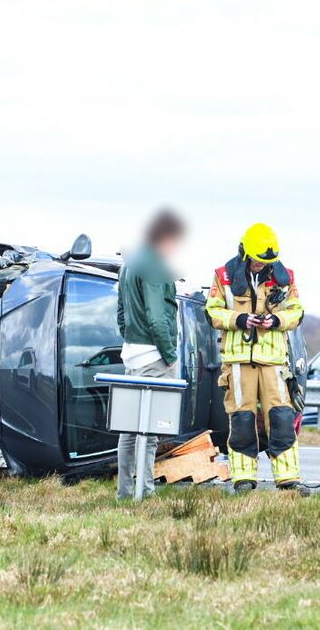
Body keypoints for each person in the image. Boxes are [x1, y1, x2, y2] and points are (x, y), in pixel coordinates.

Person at [206, 223, 308, 495]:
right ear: (244, 253)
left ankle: (288, 479)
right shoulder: (223, 276)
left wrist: (275, 320)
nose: (261, 266)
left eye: (266, 262)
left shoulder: (285, 277)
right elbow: (212, 312)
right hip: (238, 362)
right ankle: (243, 479)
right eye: (257, 261)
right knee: (241, 420)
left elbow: (297, 313)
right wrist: (239, 319)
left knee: (282, 418)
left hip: (274, 362)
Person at [114, 210, 185, 500]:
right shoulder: (154, 266)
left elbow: (120, 314)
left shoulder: (129, 264)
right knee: (149, 431)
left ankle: (125, 492)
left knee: (129, 429)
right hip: (154, 357)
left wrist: (131, 339)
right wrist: (169, 354)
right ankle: (146, 491)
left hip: (132, 355)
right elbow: (157, 318)